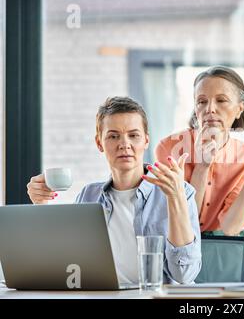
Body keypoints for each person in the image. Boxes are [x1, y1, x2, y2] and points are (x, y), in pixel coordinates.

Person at [26, 96, 201, 285]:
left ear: (146, 141)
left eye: (134, 135)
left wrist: (175, 198)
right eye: (113, 136)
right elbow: (67, 264)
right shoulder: (88, 196)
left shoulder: (180, 191)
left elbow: (184, 275)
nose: (124, 144)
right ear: (99, 143)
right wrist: (41, 205)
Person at [155, 65, 244, 236]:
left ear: (239, 109)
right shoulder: (169, 148)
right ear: (196, 108)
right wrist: (202, 167)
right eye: (202, 102)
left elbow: (230, 228)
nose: (210, 109)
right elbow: (183, 223)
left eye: (221, 100)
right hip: (177, 246)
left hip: (221, 250)